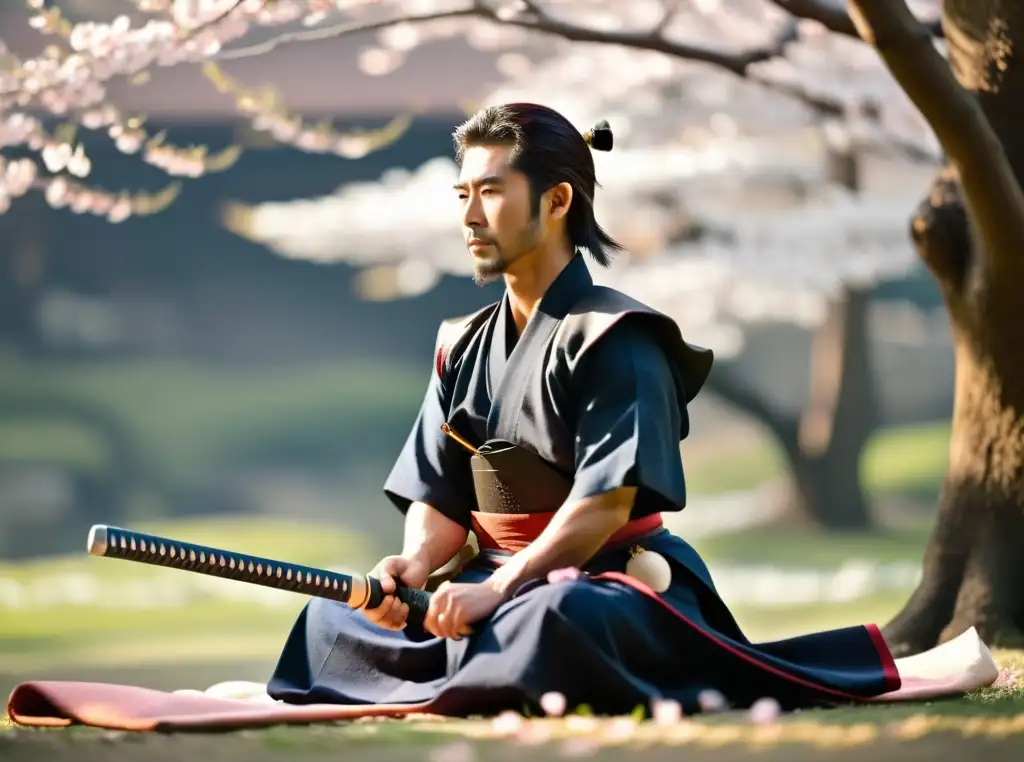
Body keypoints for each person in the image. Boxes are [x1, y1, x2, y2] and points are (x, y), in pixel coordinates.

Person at [266, 103, 995, 717]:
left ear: (557, 201)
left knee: (555, 622)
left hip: (608, 582)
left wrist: (498, 589)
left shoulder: (620, 337)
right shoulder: (459, 345)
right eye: (463, 195)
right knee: (330, 619)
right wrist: (414, 567)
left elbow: (604, 506)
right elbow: (438, 491)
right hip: (483, 587)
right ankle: (464, 661)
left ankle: (475, 663)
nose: (471, 215)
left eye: (491, 191)